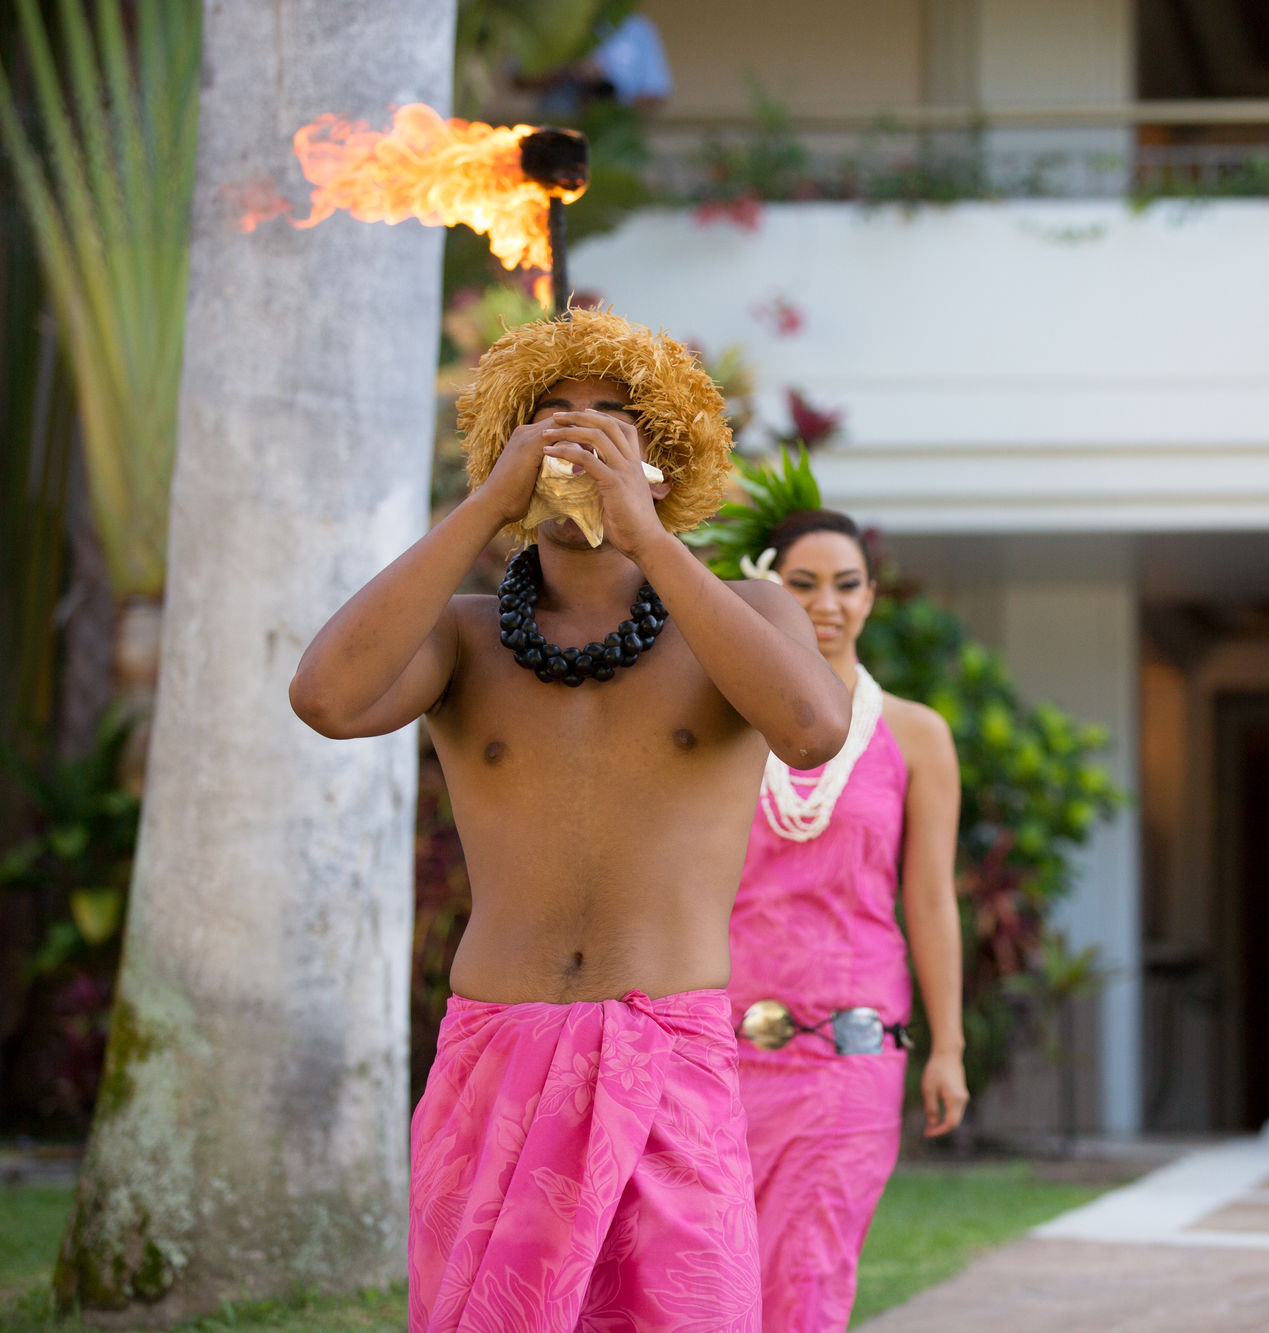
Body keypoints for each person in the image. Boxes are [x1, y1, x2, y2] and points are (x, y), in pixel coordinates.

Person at [289, 308, 852, 1332]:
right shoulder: (460, 638)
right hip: (494, 1059)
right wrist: (481, 509)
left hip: (670, 1053)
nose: (578, 437)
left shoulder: (745, 617)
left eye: (612, 418)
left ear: (666, 454)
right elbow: (325, 699)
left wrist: (646, 532)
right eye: (548, 417)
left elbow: (812, 732)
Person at [726, 503, 969, 1332]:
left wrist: (951, 1046)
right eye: (803, 584)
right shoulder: (726, 723)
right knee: (710, 1273)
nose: (827, 603)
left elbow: (930, 899)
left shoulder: (916, 734)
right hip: (721, 1048)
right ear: (768, 586)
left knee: (809, 1277)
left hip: (850, 1050)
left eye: (847, 584)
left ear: (871, 596)